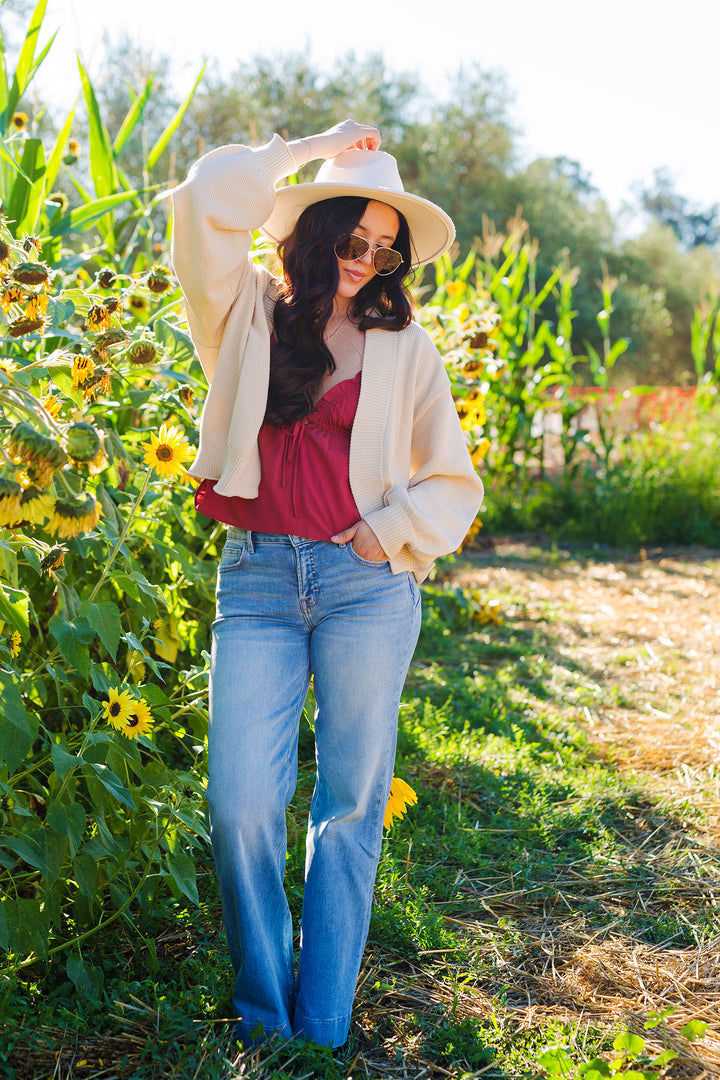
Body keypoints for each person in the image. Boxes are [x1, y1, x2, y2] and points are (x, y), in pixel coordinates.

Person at [170, 118, 484, 1051]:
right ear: (315, 233)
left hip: (364, 588)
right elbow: (201, 201)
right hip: (258, 579)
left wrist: (385, 535)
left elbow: (452, 483)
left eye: (385, 251)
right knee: (242, 805)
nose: (368, 261)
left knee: (349, 806)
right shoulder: (244, 313)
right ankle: (265, 1010)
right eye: (353, 240)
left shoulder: (405, 349)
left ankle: (319, 1027)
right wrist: (320, 143)